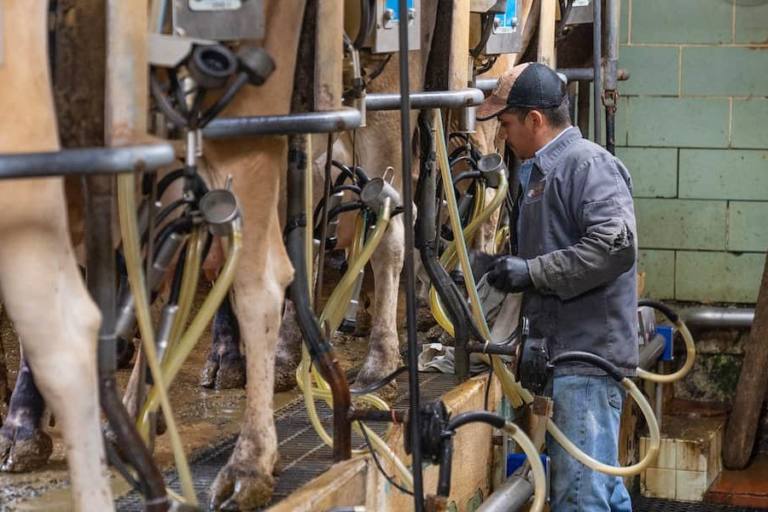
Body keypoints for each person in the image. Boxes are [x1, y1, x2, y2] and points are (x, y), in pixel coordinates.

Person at [477, 62, 638, 511]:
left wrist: (531, 272)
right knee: (601, 491)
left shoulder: (587, 165)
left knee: (580, 498)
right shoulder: (541, 171)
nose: (502, 136)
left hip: (586, 361)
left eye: (506, 124)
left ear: (534, 120)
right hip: (564, 356)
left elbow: (614, 246)